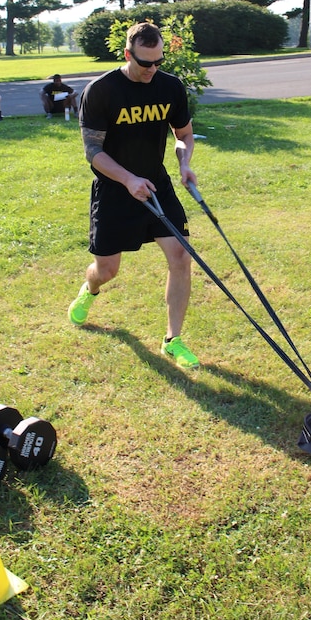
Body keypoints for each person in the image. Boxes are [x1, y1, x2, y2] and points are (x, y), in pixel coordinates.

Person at [68, 21, 200, 369]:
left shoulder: (169, 87)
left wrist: (184, 162)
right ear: (128, 54)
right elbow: (92, 151)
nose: (152, 70)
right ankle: (90, 289)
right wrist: (128, 180)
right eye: (145, 63)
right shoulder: (101, 91)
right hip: (115, 189)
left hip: (156, 185)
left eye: (158, 62)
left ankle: (173, 340)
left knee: (181, 257)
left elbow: (184, 133)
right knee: (107, 269)